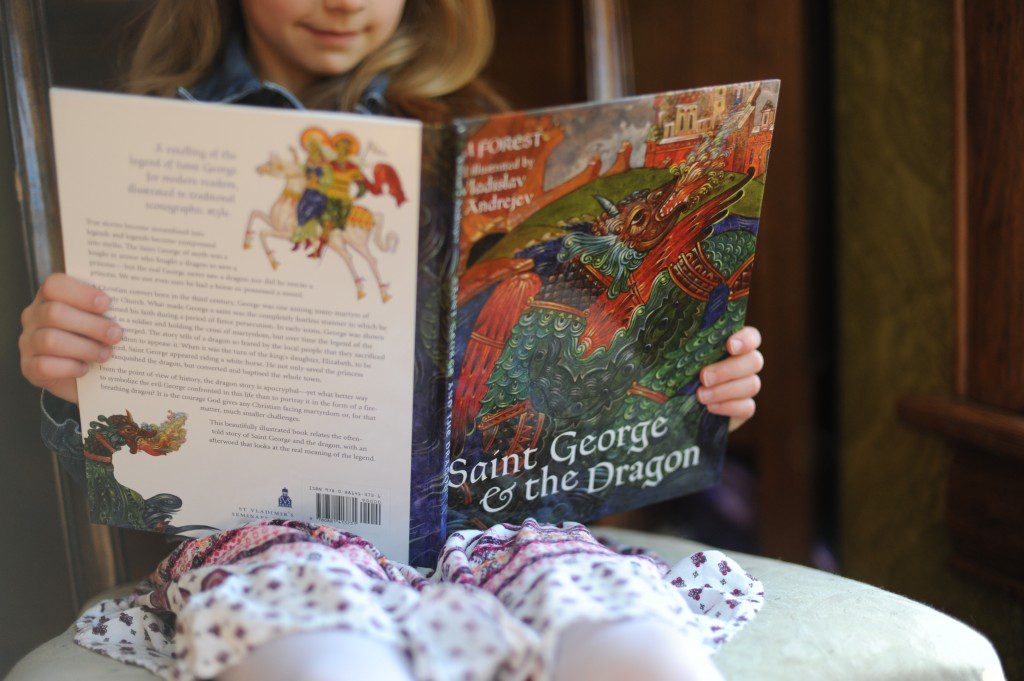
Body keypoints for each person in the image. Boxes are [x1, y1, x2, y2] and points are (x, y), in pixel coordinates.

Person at [18, 1, 766, 680]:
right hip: (279, 542)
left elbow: (570, 382)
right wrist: (74, 384)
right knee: (321, 660)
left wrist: (688, 402)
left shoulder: (475, 131)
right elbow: (138, 460)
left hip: (507, 533)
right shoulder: (151, 146)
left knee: (641, 651)